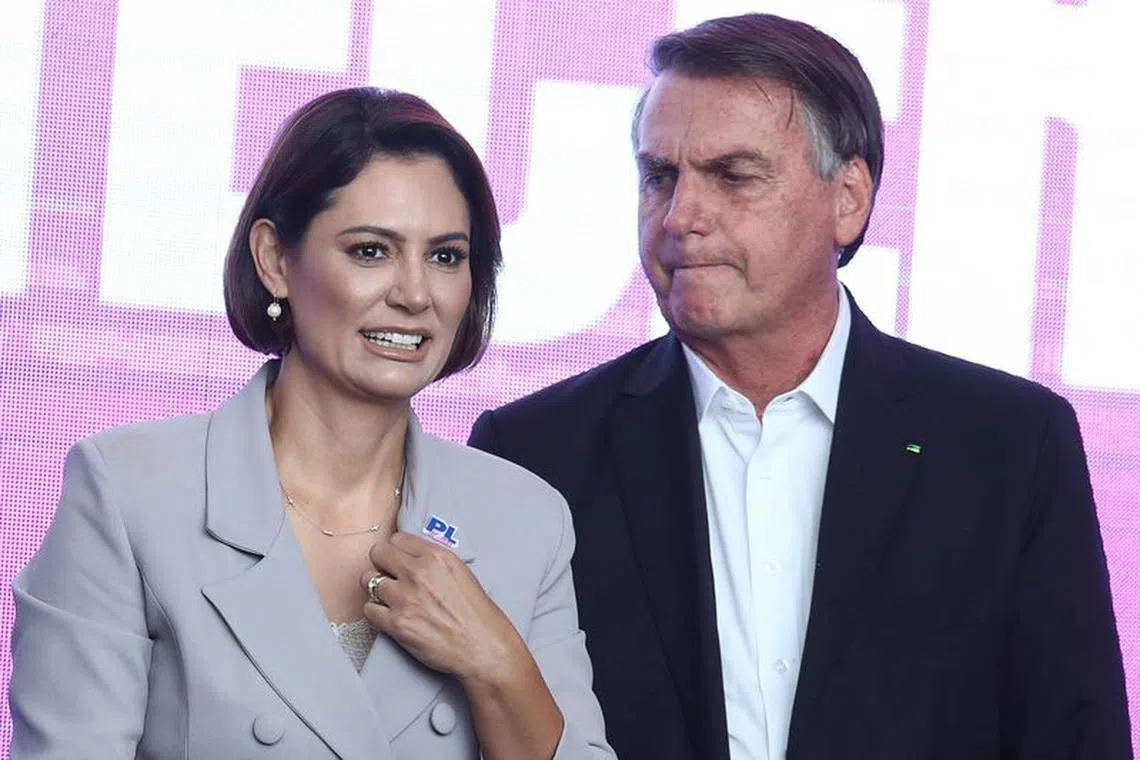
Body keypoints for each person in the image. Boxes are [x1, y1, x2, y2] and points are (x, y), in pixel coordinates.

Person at [469, 13, 1132, 760]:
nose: (681, 216)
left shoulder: (1009, 445)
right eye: (660, 176)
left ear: (848, 198)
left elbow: (1078, 739)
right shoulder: (531, 454)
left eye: (734, 176)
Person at [9, 87, 614, 760]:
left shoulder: (524, 519)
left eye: (446, 256)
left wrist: (496, 662)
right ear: (274, 260)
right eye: (370, 251)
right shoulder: (131, 492)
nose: (415, 294)